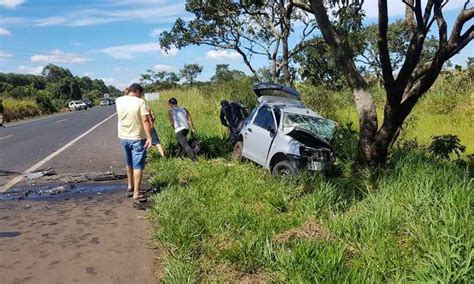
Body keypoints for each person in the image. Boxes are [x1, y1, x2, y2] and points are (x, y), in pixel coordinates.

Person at [116, 83, 152, 200]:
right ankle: (136, 192)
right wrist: (149, 137)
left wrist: (126, 92)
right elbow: (145, 120)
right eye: (140, 93)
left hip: (123, 137)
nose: (140, 96)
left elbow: (125, 96)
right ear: (137, 91)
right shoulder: (140, 102)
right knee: (138, 166)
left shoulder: (119, 100)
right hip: (137, 138)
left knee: (129, 163)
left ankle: (130, 185)